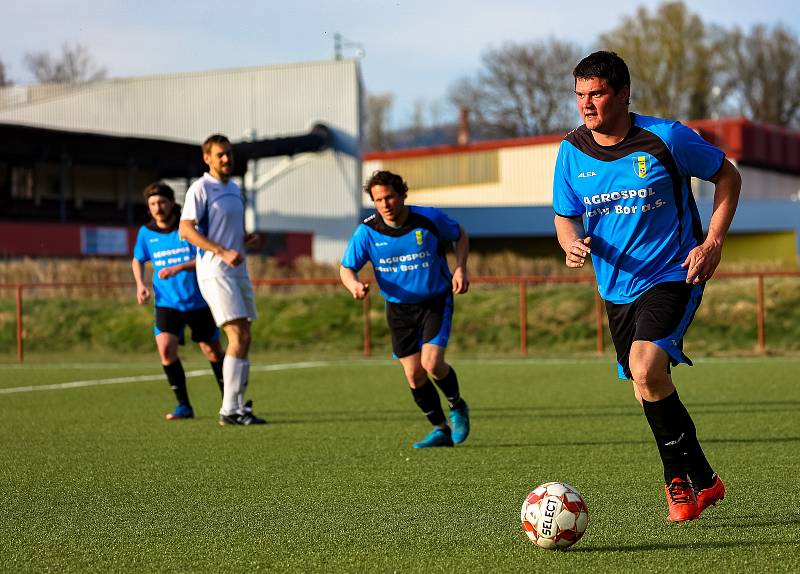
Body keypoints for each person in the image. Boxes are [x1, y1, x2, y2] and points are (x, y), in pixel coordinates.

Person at [553, 51, 741, 522]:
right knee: (647, 385)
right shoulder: (572, 151)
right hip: (615, 288)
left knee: (645, 367)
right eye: (580, 95)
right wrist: (571, 243)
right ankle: (704, 478)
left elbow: (727, 175)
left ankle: (674, 482)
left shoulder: (665, 137)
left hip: (673, 272)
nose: (587, 105)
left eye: (596, 94)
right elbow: (564, 214)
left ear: (623, 94)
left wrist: (713, 241)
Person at [340, 170, 471, 448]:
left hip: (435, 300)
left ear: (401, 195)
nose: (385, 204)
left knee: (432, 363)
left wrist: (460, 268)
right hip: (399, 309)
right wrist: (353, 285)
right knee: (414, 374)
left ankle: (457, 406)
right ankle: (440, 429)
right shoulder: (368, 232)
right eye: (378, 200)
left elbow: (459, 235)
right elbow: (346, 268)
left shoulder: (428, 219)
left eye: (389, 197)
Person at [179, 134, 265, 426]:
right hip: (216, 270)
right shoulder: (200, 189)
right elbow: (186, 230)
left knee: (245, 335)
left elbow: (226, 231)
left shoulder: (234, 188)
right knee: (236, 335)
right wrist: (221, 251)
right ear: (207, 158)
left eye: (229, 154)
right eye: (220, 155)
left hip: (237, 268)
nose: (226, 159)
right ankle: (229, 409)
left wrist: (244, 240)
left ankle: (238, 406)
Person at [132, 182, 226, 420]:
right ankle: (184, 405)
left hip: (198, 301)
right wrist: (141, 284)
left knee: (213, 351)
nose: (158, 207)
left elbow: (205, 255)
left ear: (172, 203)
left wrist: (179, 267)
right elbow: (137, 260)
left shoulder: (187, 229)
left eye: (162, 202)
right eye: (152, 204)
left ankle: (231, 400)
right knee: (165, 349)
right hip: (167, 303)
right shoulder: (146, 233)